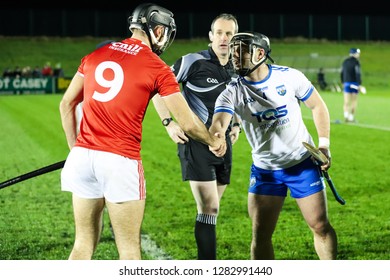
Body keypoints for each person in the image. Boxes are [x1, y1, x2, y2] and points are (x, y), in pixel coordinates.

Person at [59, 3, 224, 260]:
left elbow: (67, 104)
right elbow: (189, 123)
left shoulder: (95, 55)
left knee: (82, 244)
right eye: (166, 32)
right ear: (157, 30)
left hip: (82, 158)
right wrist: (211, 140)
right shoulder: (156, 66)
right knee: (129, 251)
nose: (166, 38)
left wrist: (75, 149)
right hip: (120, 161)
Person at [209, 32, 338, 260]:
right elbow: (219, 121)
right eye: (233, 50)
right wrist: (216, 137)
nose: (235, 56)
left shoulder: (289, 77)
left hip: (302, 165)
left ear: (260, 53)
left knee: (320, 226)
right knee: (261, 235)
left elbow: (318, 106)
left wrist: (324, 146)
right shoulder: (232, 92)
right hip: (265, 171)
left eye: (242, 50)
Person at [152, 13, 240, 260]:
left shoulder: (236, 68)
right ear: (211, 36)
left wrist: (236, 126)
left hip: (224, 145)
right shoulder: (193, 61)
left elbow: (238, 100)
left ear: (235, 39)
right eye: (219, 33)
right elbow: (157, 89)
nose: (224, 38)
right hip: (196, 143)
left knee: (212, 212)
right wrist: (168, 123)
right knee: (209, 207)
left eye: (229, 34)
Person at [340, 48, 365, 123]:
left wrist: (342, 82)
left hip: (346, 83)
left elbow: (342, 73)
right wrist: (359, 84)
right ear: (355, 54)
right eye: (358, 53)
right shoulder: (356, 62)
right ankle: (351, 118)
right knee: (354, 101)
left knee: (346, 102)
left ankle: (346, 116)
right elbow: (357, 73)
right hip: (354, 84)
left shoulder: (345, 62)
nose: (358, 55)